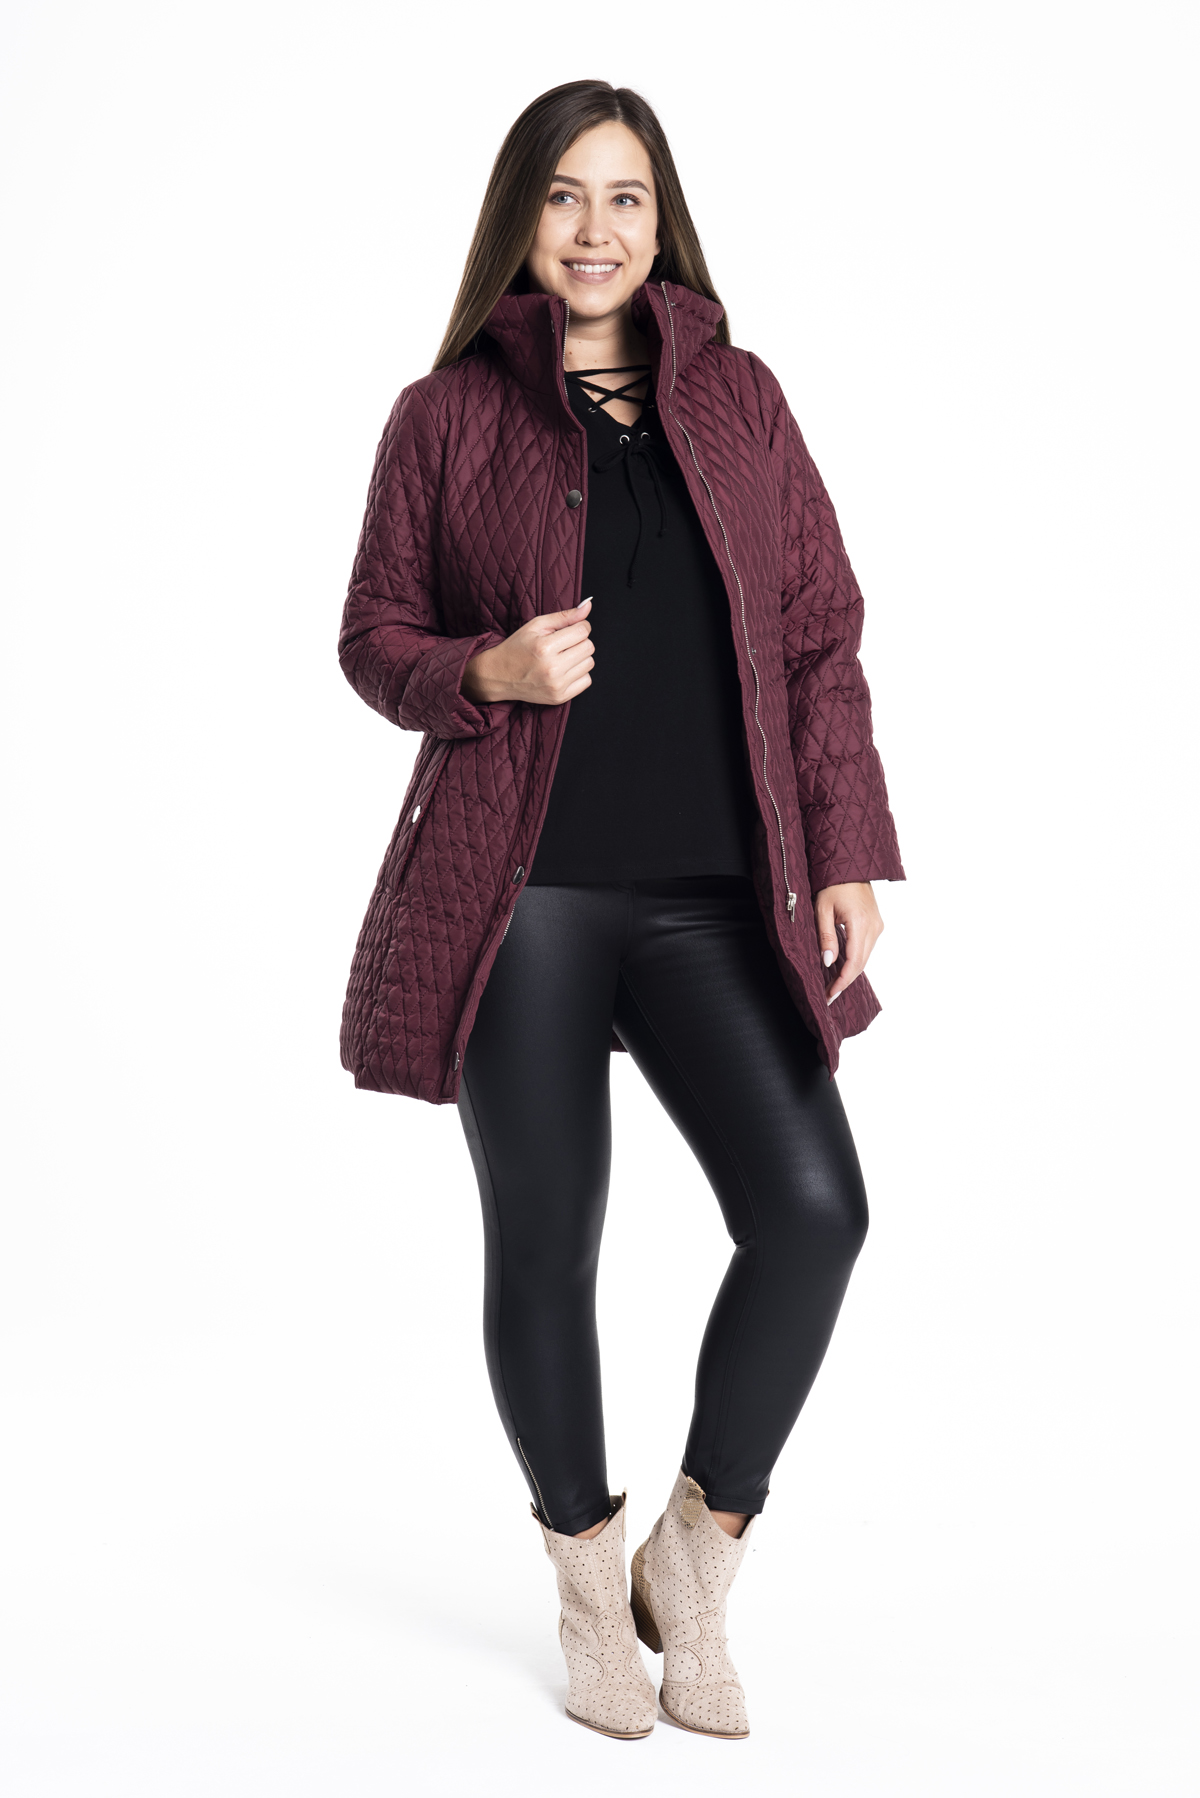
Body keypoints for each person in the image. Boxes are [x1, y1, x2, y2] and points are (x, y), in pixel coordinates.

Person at [337, 79, 905, 1741]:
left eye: (628, 198)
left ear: (665, 222)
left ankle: (693, 1560)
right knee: (548, 1236)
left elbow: (818, 633)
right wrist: (483, 669)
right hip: (523, 895)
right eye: (566, 196)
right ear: (522, 218)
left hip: (717, 893)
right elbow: (371, 634)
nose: (597, 229)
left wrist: (850, 850)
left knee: (814, 1209)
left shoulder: (740, 400)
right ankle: (591, 1589)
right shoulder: (445, 416)